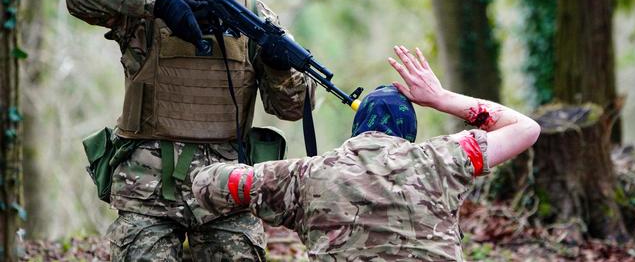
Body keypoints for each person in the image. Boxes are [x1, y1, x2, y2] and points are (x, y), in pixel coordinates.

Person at [66, 0, 315, 261]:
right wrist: (158, 4)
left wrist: (278, 67)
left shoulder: (253, 16)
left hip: (227, 188)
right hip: (148, 189)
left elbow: (290, 108)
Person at [192, 45, 541, 261]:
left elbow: (209, 184)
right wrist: (442, 99)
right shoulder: (442, 160)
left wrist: (241, 183)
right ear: (409, 133)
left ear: (357, 129)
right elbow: (526, 128)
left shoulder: (306, 175)